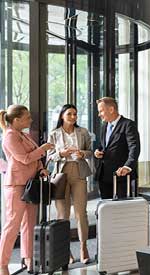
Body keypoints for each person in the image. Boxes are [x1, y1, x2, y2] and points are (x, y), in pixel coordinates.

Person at [0, 105, 54, 275]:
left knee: (29, 224)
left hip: (31, 184)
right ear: (16, 120)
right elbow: (24, 158)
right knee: (12, 225)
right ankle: (2, 263)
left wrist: (41, 169)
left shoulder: (24, 135)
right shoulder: (9, 137)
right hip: (16, 185)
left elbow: (34, 159)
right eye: (27, 118)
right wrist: (43, 149)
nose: (30, 120)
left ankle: (29, 259)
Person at [47, 104, 92, 264]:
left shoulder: (83, 132)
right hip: (61, 175)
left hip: (79, 173)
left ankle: (83, 247)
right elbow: (49, 156)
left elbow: (91, 151)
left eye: (75, 114)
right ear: (62, 116)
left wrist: (82, 153)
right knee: (62, 216)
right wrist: (60, 153)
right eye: (69, 114)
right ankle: (66, 251)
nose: (73, 117)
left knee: (81, 213)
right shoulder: (54, 134)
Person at [94, 97, 140, 199]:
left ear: (111, 109)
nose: (99, 114)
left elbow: (134, 148)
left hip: (121, 175)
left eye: (101, 111)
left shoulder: (128, 125)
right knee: (106, 208)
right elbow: (103, 146)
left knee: (121, 209)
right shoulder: (104, 126)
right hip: (104, 175)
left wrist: (127, 166)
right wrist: (97, 152)